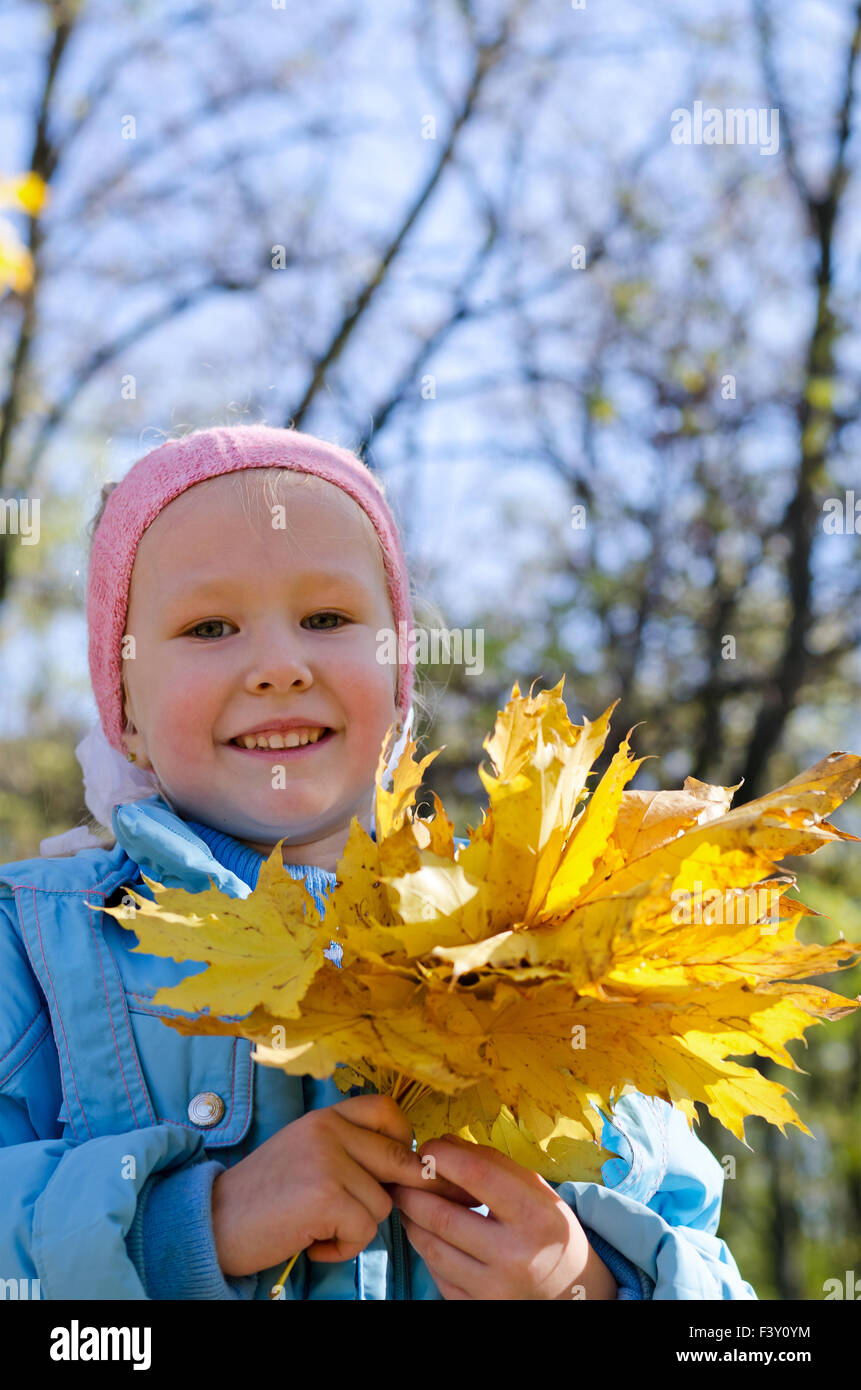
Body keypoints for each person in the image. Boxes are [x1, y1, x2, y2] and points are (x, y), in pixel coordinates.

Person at [0, 424, 756, 1300]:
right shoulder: (35, 946)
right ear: (123, 707)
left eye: (326, 619)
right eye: (210, 627)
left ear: (398, 680)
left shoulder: (550, 951)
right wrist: (190, 1230)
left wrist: (586, 1282)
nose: (279, 666)